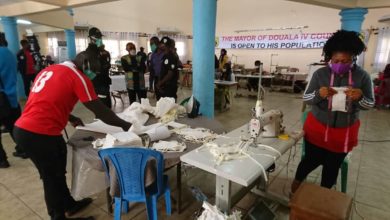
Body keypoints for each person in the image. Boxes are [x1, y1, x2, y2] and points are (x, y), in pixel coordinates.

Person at [13, 50, 132, 220]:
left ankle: (69, 204)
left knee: (58, 168)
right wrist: (127, 126)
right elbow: (101, 111)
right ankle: (57, 216)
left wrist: (71, 116)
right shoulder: (77, 76)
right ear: (85, 63)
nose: (93, 75)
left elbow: (45, 99)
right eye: (94, 70)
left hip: (27, 129)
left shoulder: (50, 69)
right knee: (51, 177)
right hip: (38, 133)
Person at [291, 30, 374, 193]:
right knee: (309, 161)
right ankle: (295, 187)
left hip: (344, 133)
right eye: (336, 60)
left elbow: (369, 104)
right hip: (317, 130)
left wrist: (360, 97)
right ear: (330, 58)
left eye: (345, 60)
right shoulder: (320, 74)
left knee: (331, 168)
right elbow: (306, 98)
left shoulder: (362, 77)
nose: (340, 63)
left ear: (353, 58)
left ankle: (324, 197)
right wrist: (319, 94)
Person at [0, 33, 25, 168]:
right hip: (12, 98)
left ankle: (2, 160)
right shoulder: (9, 53)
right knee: (14, 127)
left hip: (1, 99)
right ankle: (23, 149)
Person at [86, 27, 112, 108]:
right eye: (97, 37)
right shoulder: (88, 53)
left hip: (105, 82)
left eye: (100, 37)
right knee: (102, 108)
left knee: (107, 105)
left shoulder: (104, 52)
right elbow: (87, 70)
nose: (100, 39)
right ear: (91, 38)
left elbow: (107, 65)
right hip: (97, 84)